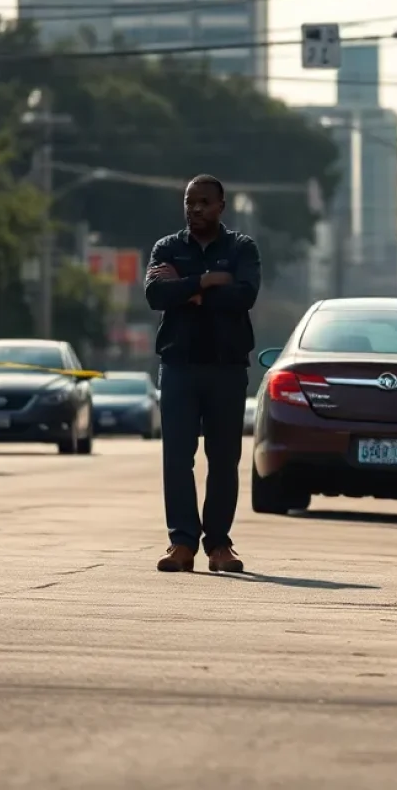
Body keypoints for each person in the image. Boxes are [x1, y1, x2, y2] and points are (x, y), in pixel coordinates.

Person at [145, 174, 261, 574]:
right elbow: (155, 295)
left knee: (224, 459)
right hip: (179, 366)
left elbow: (244, 295)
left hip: (227, 368)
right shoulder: (167, 247)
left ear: (221, 206)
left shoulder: (242, 248)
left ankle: (218, 545)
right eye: (189, 202)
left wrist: (189, 292)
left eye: (204, 202)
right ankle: (181, 543)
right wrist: (206, 282)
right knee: (177, 458)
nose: (195, 209)